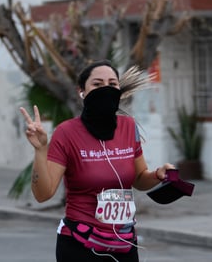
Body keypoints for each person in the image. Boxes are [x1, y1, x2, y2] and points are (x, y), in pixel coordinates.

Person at [19, 59, 175, 262]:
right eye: (97, 84)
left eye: (112, 84)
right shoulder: (67, 133)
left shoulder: (128, 127)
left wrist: (157, 174)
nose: (106, 89)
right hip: (80, 243)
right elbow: (43, 194)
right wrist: (40, 150)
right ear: (81, 91)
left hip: (124, 242)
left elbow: (138, 178)